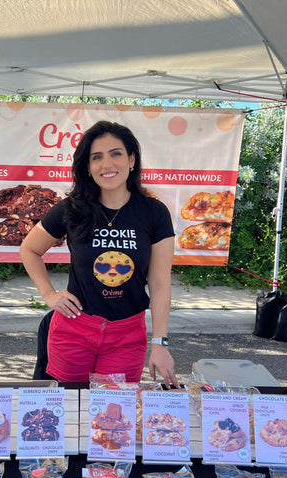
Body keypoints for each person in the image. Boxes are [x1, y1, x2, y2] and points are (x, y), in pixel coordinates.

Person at [20, 120, 179, 388]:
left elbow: (161, 283)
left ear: (131, 160)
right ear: (88, 167)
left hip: (126, 337)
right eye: (97, 157)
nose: (107, 165)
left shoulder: (154, 213)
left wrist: (160, 343)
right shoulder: (71, 209)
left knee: (111, 417)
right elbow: (30, 249)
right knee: (69, 409)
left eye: (116, 154)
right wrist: (49, 294)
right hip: (73, 330)